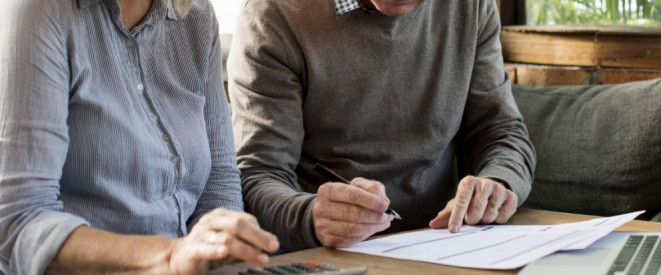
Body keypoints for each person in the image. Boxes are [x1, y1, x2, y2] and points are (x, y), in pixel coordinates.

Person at [228, 0, 536, 251]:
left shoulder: (473, 6)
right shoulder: (274, 15)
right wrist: (310, 217)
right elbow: (257, 176)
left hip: (449, 243)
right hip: (329, 253)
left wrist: (499, 183)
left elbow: (500, 132)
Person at [0, 0, 279, 274]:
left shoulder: (196, 15)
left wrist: (218, 248)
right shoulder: (40, 11)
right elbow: (21, 221)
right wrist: (170, 256)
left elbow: (219, 177)